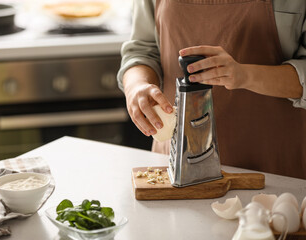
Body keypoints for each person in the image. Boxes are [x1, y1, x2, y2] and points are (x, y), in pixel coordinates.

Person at [117, 0, 306, 179]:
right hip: (174, 168)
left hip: (276, 171)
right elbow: (142, 50)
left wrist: (246, 74)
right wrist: (137, 85)